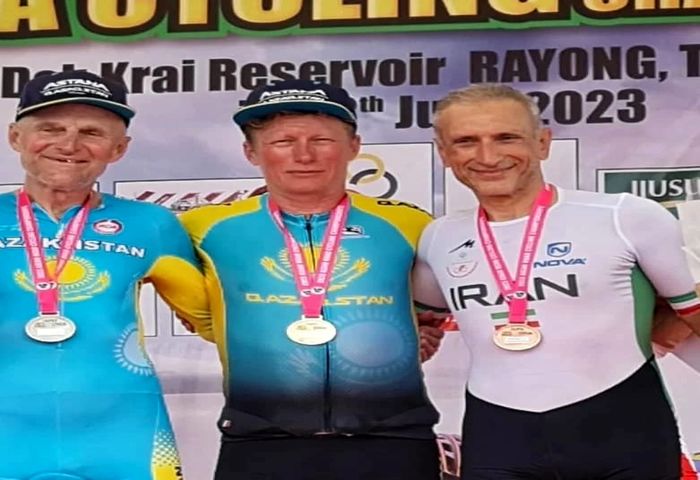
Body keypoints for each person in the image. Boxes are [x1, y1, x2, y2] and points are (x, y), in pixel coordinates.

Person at [412, 83, 700, 479]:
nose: (488, 156)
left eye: (506, 137)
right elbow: (420, 325)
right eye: (466, 142)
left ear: (543, 143)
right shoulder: (439, 237)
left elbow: (692, 313)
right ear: (444, 153)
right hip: (499, 438)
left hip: (626, 432)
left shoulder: (626, 217)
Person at [179, 79, 441, 480]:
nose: (304, 155)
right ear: (251, 152)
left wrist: (412, 332)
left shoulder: (410, 223)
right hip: (260, 439)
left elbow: (436, 306)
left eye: (322, 139)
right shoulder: (203, 227)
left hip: (394, 438)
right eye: (283, 142)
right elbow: (185, 301)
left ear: (354, 146)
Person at [1, 70, 210, 479]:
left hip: (125, 436)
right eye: (50, 129)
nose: (69, 145)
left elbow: (215, 322)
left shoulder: (152, 224)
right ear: (15, 138)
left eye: (91, 132)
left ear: (118, 149)